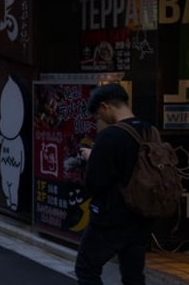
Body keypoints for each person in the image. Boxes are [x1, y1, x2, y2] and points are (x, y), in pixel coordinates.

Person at [75, 83, 155, 285]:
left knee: (86, 268)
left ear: (105, 106)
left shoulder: (109, 136)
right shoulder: (150, 131)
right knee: (133, 276)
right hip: (142, 217)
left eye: (100, 115)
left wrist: (91, 158)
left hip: (110, 218)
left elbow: (94, 183)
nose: (101, 120)